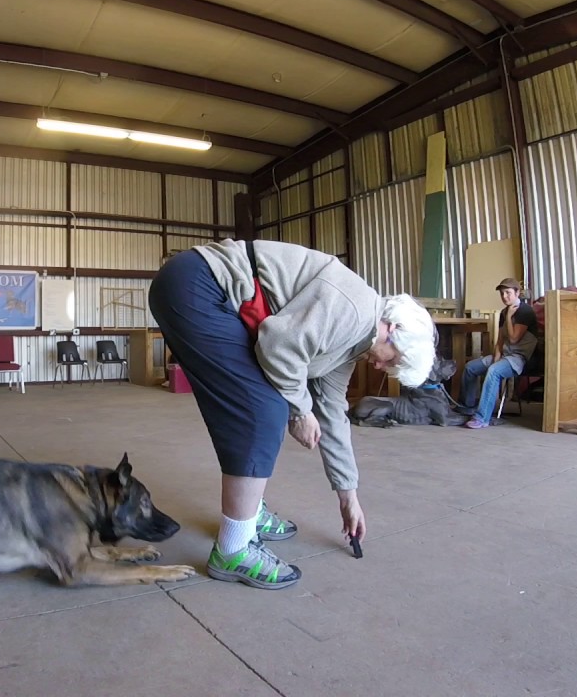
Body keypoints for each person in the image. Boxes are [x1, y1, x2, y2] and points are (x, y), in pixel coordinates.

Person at [148, 238, 437, 590]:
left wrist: (349, 496)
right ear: (393, 331)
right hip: (199, 284)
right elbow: (277, 344)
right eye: (391, 360)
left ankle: (248, 514)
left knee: (264, 402)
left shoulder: (351, 346)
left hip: (203, 292)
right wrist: (300, 411)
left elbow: (333, 415)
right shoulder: (355, 309)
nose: (380, 367)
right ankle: (233, 548)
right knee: (264, 411)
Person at [457, 277, 538, 429]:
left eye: (508, 293)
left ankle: (482, 418)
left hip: (520, 359)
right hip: (506, 356)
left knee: (494, 371)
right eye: (502, 294)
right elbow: (500, 340)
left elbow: (513, 339)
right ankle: (466, 408)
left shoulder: (525, 311)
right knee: (470, 367)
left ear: (517, 293)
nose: (504, 297)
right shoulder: (504, 312)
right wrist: (496, 358)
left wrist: (508, 317)